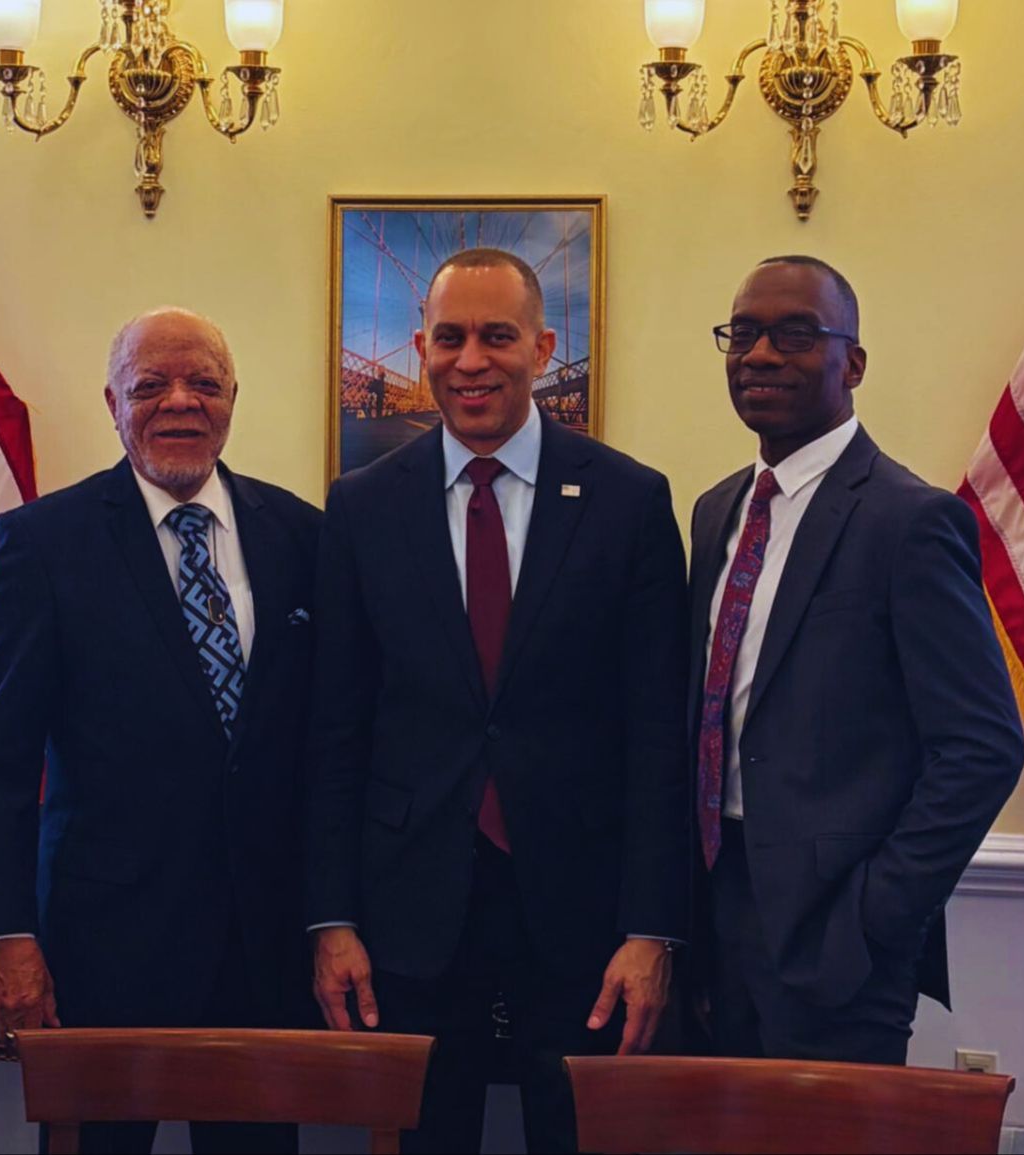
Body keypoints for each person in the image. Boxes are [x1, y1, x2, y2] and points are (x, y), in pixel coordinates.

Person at [306, 248, 690, 1154]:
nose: (470, 359)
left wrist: (652, 928)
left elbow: (657, 739)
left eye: (497, 335)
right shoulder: (360, 507)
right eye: (449, 337)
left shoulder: (628, 500)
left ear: (545, 347)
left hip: (584, 911)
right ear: (419, 347)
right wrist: (331, 918)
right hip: (408, 913)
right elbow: (334, 729)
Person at [0, 307, 321, 1154]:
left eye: (202, 382)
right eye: (151, 385)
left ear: (233, 397)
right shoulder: (43, 544)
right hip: (104, 952)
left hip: (264, 952)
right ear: (112, 402)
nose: (179, 403)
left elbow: (324, 745)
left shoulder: (302, 535)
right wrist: (9, 939)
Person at [688, 256, 1024, 1064]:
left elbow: (982, 747)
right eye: (743, 333)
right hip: (712, 922)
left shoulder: (910, 521)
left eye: (795, 334)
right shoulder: (714, 510)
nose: (760, 354)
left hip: (838, 941)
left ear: (854, 363)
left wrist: (876, 912)